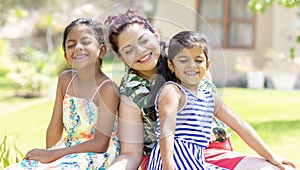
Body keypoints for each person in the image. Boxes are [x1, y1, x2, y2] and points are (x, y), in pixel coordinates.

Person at [104, 9, 296, 170]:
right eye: (128, 50)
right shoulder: (131, 92)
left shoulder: (191, 62)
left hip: (213, 152)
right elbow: (131, 153)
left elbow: (237, 122)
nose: (140, 51)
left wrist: (272, 156)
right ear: (121, 57)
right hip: (167, 160)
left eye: (144, 40)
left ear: (155, 34)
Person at [147, 31, 296, 170]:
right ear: (171, 65)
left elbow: (241, 126)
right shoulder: (172, 91)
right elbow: (167, 131)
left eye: (198, 60)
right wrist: (168, 167)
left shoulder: (209, 97)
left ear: (207, 64)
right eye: (183, 60)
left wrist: (271, 156)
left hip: (194, 161)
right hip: (171, 161)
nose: (192, 65)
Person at [5, 18, 120, 169]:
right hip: (67, 150)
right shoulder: (65, 80)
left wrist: (54, 155)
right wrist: (48, 155)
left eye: (86, 42)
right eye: (71, 45)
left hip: (96, 155)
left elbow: (100, 144)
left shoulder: (107, 88)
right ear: (66, 55)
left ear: (102, 50)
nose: (78, 47)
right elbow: (55, 124)